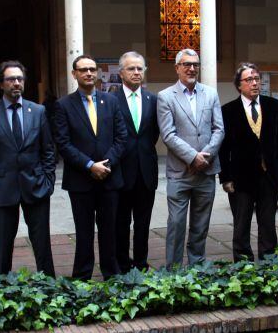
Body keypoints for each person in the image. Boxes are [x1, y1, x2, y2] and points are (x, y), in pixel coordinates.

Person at [0, 60, 56, 277]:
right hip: (3, 187)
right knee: (3, 242)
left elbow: (48, 150)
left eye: (20, 79)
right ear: (1, 84)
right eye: (11, 79)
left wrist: (48, 181)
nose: (16, 83)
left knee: (42, 241)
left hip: (36, 185)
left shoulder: (38, 111)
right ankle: (2, 284)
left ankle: (48, 284)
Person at [54, 55, 127, 279]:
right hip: (80, 180)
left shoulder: (111, 101)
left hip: (109, 177)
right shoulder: (63, 105)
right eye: (83, 70)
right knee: (83, 232)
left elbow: (121, 137)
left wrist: (106, 164)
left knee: (109, 231)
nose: (89, 73)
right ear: (74, 74)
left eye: (92, 69)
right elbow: (63, 143)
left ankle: (111, 274)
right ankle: (83, 275)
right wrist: (89, 165)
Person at [219, 63, 278, 261]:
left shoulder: (272, 105)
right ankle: (243, 263)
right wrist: (225, 178)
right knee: (241, 223)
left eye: (257, 79)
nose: (254, 83)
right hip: (241, 178)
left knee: (267, 222)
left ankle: (269, 259)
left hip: (268, 175)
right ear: (239, 85)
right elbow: (223, 147)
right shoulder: (228, 110)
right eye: (248, 80)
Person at [157, 48, 224, 268]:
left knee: (200, 223)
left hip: (206, 170)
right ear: (177, 68)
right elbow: (168, 134)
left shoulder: (210, 93)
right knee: (176, 223)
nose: (191, 68)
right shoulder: (166, 97)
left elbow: (219, 129)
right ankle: (174, 270)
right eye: (186, 64)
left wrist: (206, 156)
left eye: (195, 64)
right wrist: (192, 157)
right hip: (180, 173)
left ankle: (197, 265)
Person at [110, 51, 159, 273]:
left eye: (140, 68)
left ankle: (141, 263)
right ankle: (121, 263)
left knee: (143, 224)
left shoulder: (153, 99)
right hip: (120, 172)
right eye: (131, 68)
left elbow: (153, 134)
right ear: (121, 73)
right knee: (120, 223)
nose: (137, 72)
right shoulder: (111, 100)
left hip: (146, 172)